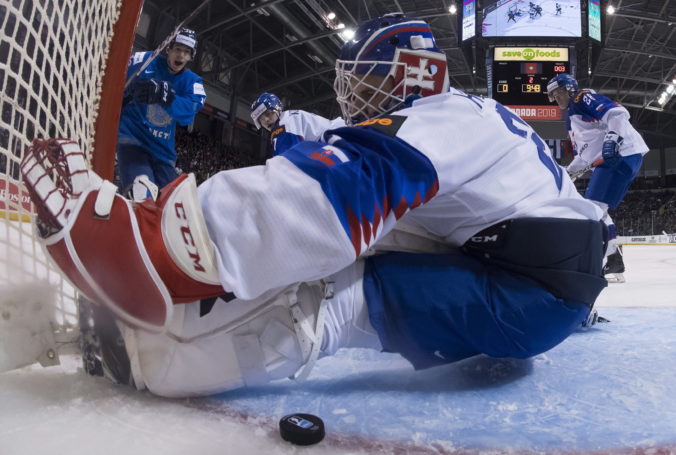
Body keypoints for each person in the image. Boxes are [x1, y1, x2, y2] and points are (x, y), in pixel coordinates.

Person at [21, 14, 608, 398]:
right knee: (349, 244)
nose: (353, 92)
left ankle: (149, 360)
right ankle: (155, 322)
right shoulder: (474, 117)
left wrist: (154, 246)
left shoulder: (442, 119)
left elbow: (330, 195)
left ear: (414, 72)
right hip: (528, 279)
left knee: (330, 291)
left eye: (369, 78)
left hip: (525, 295)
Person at [546, 73, 649, 281]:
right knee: (596, 209)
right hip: (617, 158)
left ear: (568, 89)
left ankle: (598, 262)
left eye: (557, 93)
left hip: (619, 155)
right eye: (552, 95)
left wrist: (613, 138)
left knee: (591, 210)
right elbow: (584, 155)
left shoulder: (581, 98)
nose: (555, 98)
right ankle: (613, 261)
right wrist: (567, 173)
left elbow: (618, 113)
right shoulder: (572, 119)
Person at [117, 27, 207, 196]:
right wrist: (128, 92)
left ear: (190, 57)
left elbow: (191, 110)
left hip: (163, 154)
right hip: (132, 142)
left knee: (174, 204)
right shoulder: (145, 60)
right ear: (168, 49)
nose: (181, 55)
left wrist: (167, 97)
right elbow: (117, 80)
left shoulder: (192, 81)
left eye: (186, 52)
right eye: (178, 49)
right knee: (143, 196)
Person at [250, 92, 345, 156]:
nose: (266, 120)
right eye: (261, 119)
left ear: (278, 109)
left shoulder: (283, 124)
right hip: (339, 138)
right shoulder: (289, 118)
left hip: (340, 140)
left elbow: (286, 162)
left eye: (268, 113)